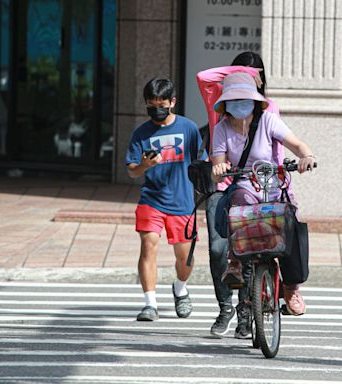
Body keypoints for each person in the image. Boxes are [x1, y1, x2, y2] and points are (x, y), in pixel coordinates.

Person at [211, 72, 315, 318]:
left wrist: (306, 156)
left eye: (244, 98)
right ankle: (235, 262)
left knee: (291, 227)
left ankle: (291, 289)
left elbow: (298, 145)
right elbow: (218, 166)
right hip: (246, 184)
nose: (240, 103)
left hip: (275, 185)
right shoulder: (221, 129)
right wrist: (219, 168)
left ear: (255, 100)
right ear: (225, 103)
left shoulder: (268, 120)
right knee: (240, 201)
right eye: (234, 99)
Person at [196, 52, 283, 338]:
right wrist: (240, 73)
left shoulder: (269, 111)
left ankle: (248, 310)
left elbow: (278, 152)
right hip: (221, 186)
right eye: (241, 72)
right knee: (218, 250)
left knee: (250, 248)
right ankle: (225, 307)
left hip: (256, 187)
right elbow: (204, 77)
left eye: (254, 73)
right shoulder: (220, 107)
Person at [125, 78, 205, 321]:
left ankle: (180, 289)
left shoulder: (189, 128)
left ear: (173, 102)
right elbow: (131, 170)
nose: (156, 110)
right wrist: (144, 165)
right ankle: (150, 303)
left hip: (182, 201)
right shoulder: (141, 133)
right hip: (152, 199)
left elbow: (200, 162)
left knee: (185, 256)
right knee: (148, 243)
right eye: (151, 105)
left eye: (161, 104)